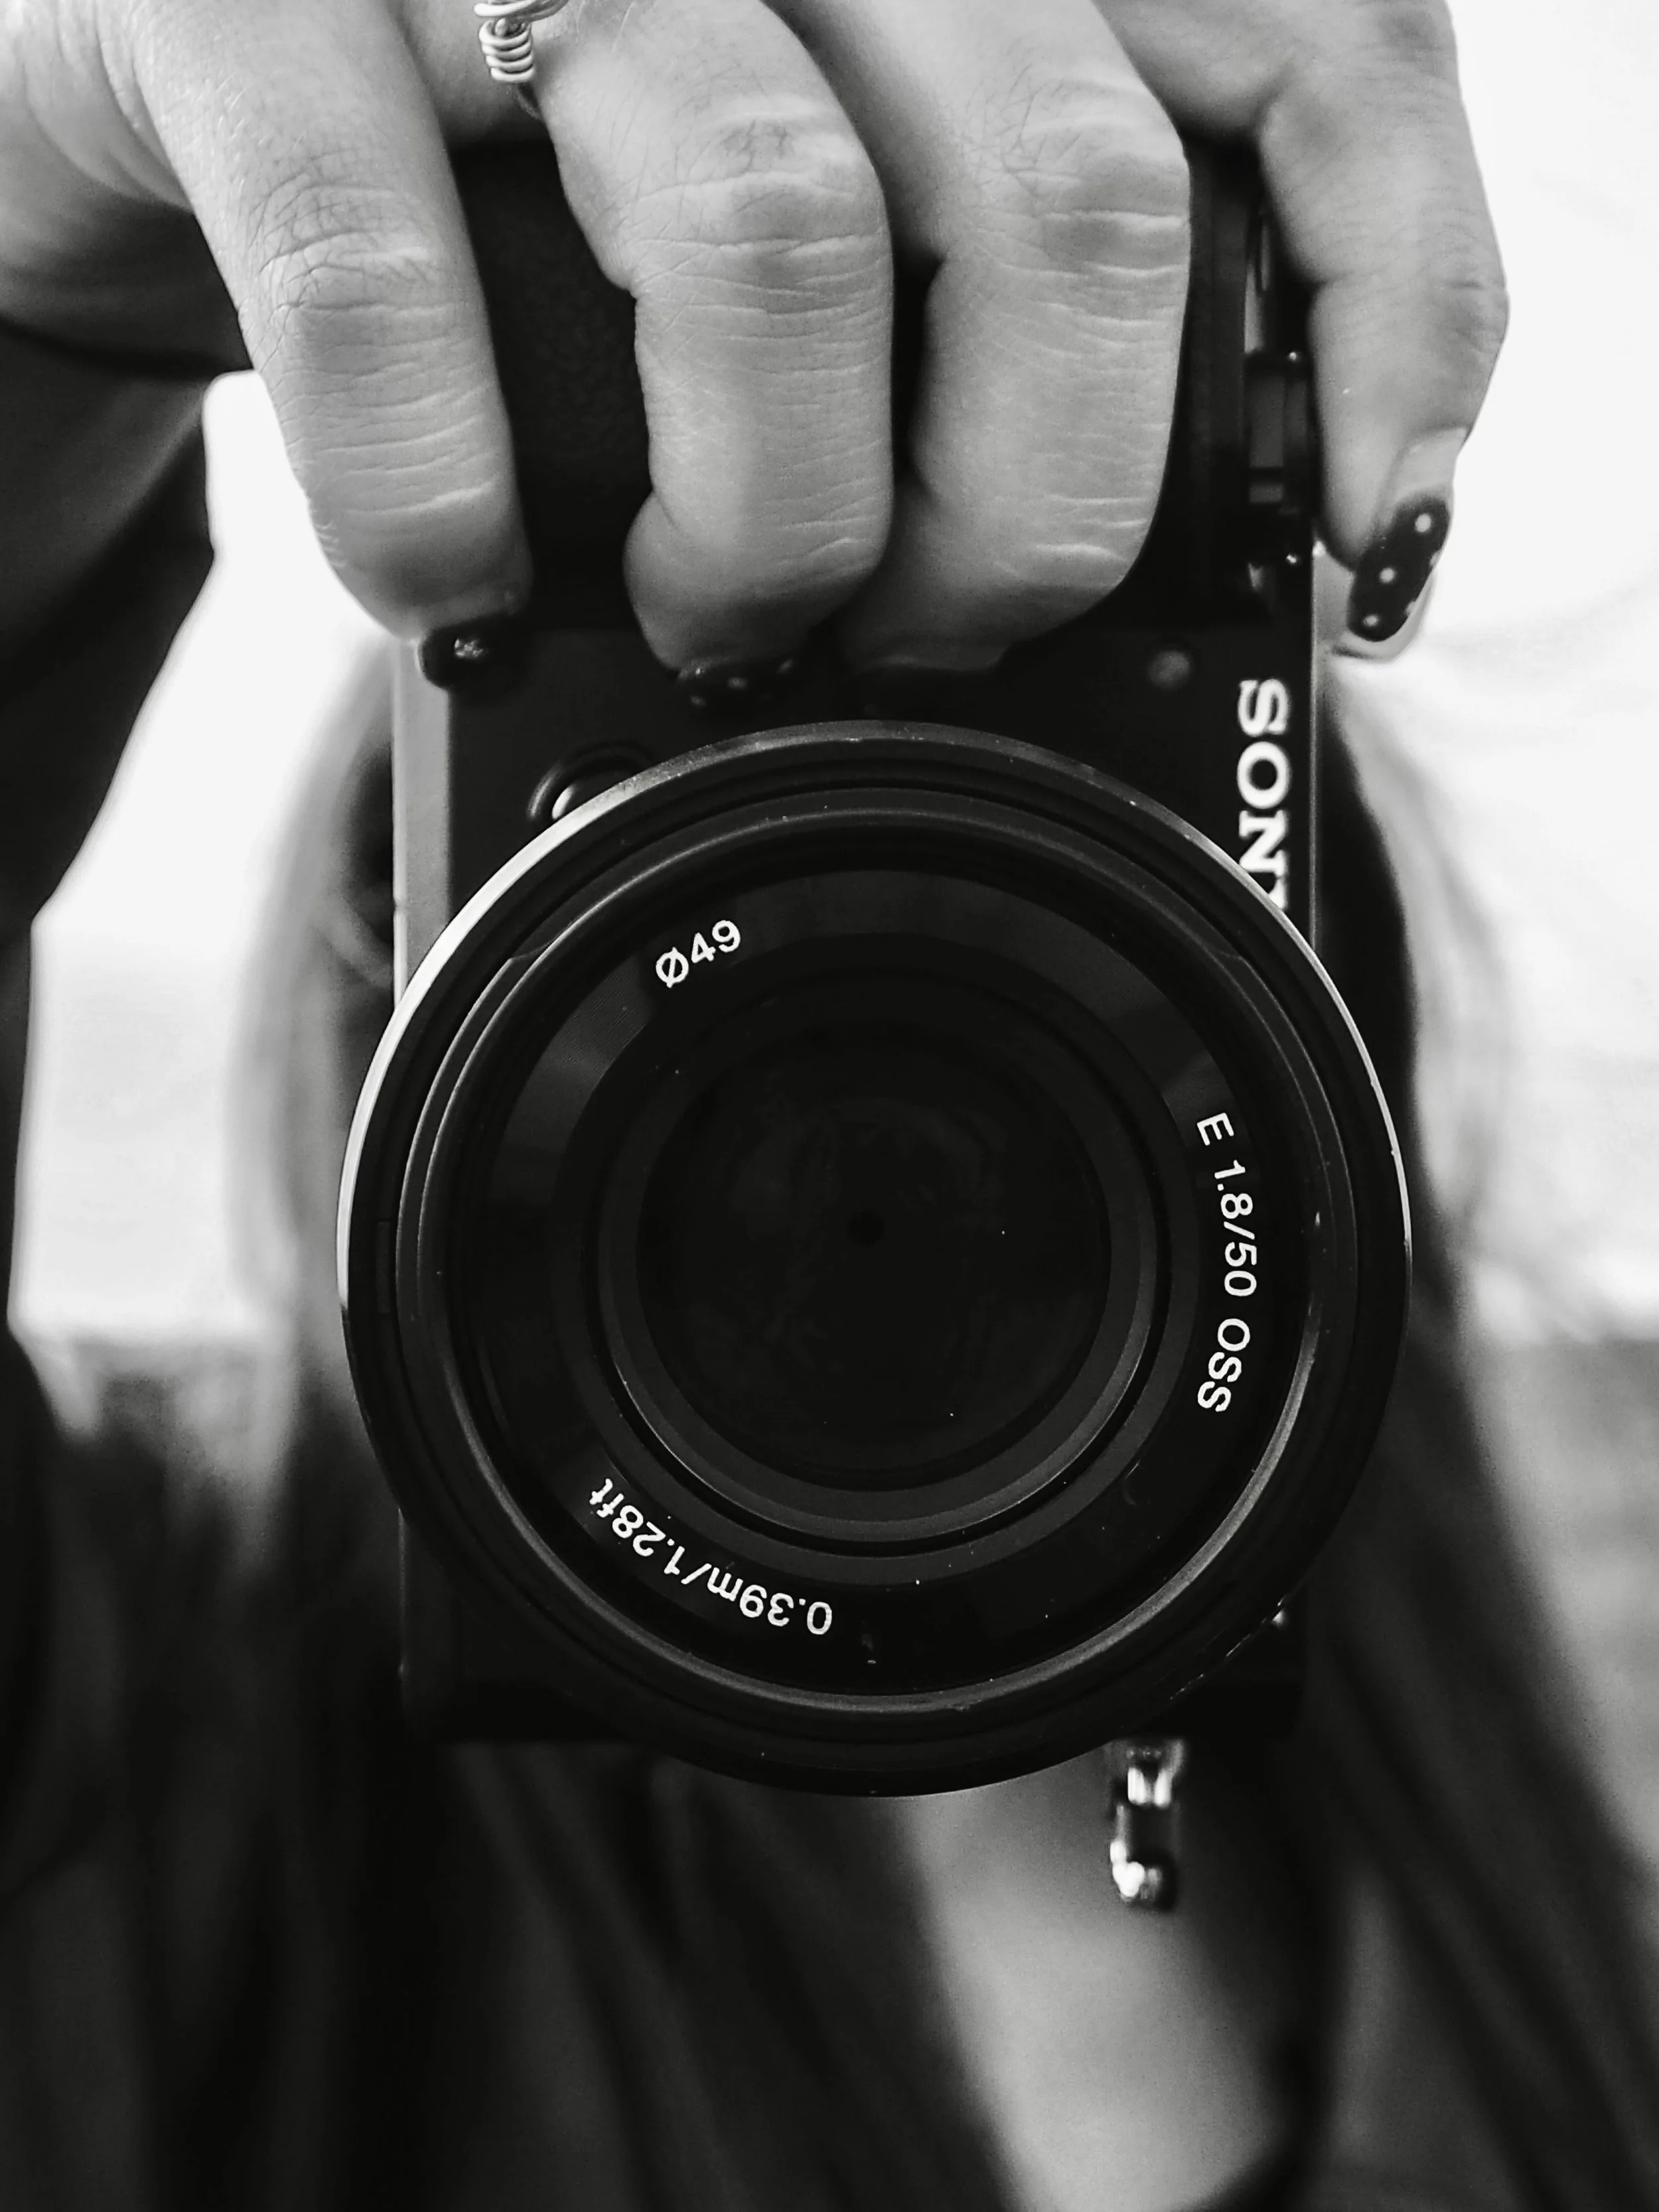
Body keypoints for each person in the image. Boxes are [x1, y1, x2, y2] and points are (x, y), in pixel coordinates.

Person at [3, 0, 1658, 2207]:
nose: (858, 1196)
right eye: (704, 1034)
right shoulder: (151, 1754)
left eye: (997, 1020)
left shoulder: (1575, 1841)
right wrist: (29, 292)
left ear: (1305, 1031)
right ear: (396, 1007)